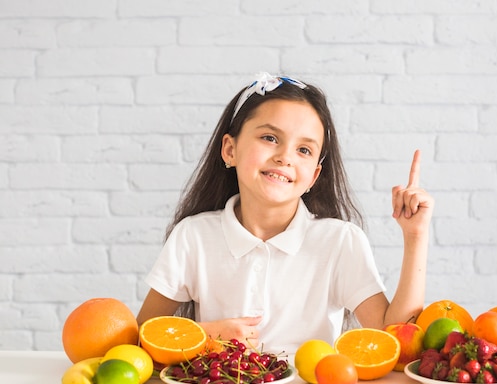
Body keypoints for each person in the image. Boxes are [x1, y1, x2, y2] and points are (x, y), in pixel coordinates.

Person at [136, 72, 434, 354]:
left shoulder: (340, 241)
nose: (284, 157)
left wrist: (416, 236)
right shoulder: (193, 236)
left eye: (304, 150)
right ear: (230, 149)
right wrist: (204, 336)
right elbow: (142, 339)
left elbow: (394, 335)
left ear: (314, 176)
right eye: (270, 138)